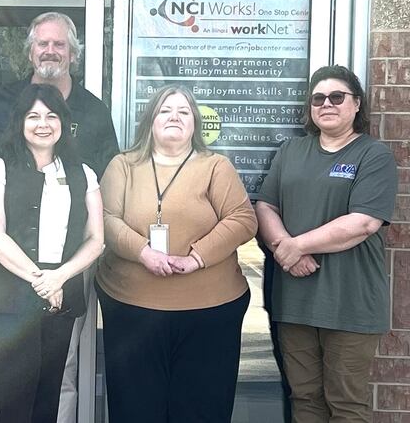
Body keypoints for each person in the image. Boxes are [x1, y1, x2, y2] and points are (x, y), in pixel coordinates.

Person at [0, 11, 118, 423]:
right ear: (30, 51)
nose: (50, 51)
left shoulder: (94, 112)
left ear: (73, 53)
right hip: (2, 254)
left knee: (61, 367)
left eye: (60, 44)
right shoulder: (1, 104)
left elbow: (107, 186)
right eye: (42, 43)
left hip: (68, 262)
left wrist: (63, 273)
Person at [97, 84, 257, 423]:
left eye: (183, 112)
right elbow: (105, 220)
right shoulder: (123, 166)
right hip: (132, 312)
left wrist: (195, 257)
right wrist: (143, 252)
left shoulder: (216, 166)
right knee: (136, 409)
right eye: (165, 110)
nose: (174, 117)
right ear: (150, 121)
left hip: (209, 314)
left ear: (195, 123)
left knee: (200, 409)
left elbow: (243, 219)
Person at [254, 65, 397, 423]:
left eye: (337, 97)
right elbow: (265, 206)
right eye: (318, 98)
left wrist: (294, 246)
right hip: (296, 300)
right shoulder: (291, 151)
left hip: (350, 303)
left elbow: (363, 222)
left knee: (347, 405)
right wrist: (283, 247)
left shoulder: (372, 155)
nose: (327, 104)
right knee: (304, 399)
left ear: (356, 104)